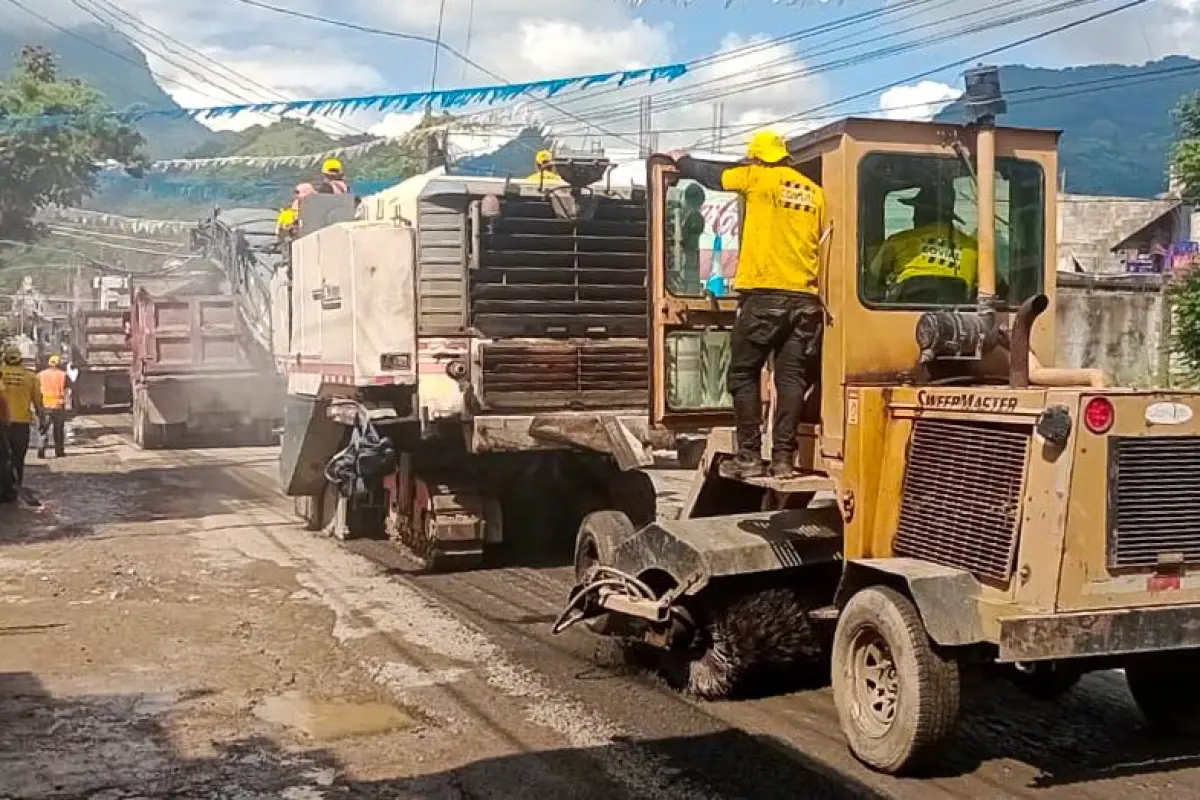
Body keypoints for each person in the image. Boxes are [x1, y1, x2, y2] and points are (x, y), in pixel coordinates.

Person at [669, 130, 826, 479]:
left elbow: (713, 176)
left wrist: (682, 160)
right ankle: (784, 460)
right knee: (791, 378)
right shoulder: (815, 193)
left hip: (765, 295)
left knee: (742, 372)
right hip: (805, 298)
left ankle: (750, 456)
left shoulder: (756, 177)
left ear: (756, 157)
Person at [866, 185, 978, 305]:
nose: (913, 217)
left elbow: (873, 277)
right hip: (958, 317)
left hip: (902, 314)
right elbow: (993, 284)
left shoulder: (898, 241)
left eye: (915, 210)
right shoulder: (973, 247)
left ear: (921, 213)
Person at [0, 345, 40, 489]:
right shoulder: (30, 377)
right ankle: (17, 486)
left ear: (5, 358)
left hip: (2, 423)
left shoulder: (1, 373)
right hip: (21, 423)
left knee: (2, 458)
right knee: (18, 458)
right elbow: (37, 401)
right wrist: (41, 417)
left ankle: (4, 487)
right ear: (20, 359)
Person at [37, 353, 69, 459]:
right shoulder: (63, 375)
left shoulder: (41, 375)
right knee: (58, 430)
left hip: (45, 406)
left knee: (43, 429)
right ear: (59, 364)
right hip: (59, 406)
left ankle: (41, 449)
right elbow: (69, 390)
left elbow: (36, 390)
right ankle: (59, 452)